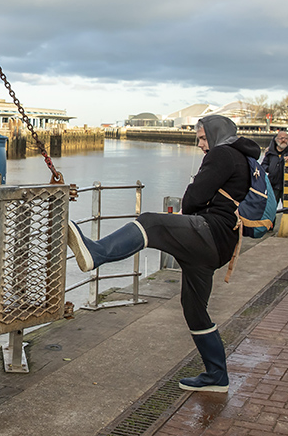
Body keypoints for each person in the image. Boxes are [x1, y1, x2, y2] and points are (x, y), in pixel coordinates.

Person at [67, 114, 260, 393]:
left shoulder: (223, 154)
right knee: (194, 310)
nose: (200, 145)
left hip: (209, 234)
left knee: (150, 222)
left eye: (203, 138)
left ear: (218, 135)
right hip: (219, 245)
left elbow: (193, 197)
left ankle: (97, 253)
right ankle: (217, 375)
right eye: (199, 139)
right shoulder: (242, 158)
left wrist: (187, 212)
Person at [261, 130, 288, 206]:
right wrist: (271, 168)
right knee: (271, 207)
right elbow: (263, 165)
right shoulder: (270, 152)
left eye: (286, 138)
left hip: (287, 185)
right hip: (273, 185)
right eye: (281, 138)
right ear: (276, 140)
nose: (283, 140)